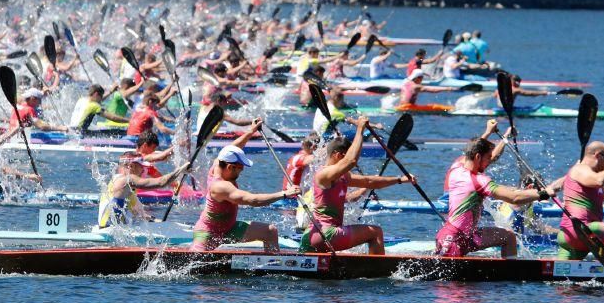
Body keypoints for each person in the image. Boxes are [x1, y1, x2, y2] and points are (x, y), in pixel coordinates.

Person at [300, 119, 410, 254]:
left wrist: (399, 179)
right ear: (338, 155)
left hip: (312, 238)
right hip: (328, 234)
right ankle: (376, 272)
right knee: (375, 232)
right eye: (345, 157)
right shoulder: (324, 174)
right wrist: (360, 129)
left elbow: (370, 182)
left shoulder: (343, 176)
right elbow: (351, 161)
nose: (348, 163)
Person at [190, 120, 302, 252]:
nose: (242, 171)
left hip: (229, 228)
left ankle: (274, 264)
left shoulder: (218, 164)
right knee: (195, 261)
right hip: (208, 232)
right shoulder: (220, 186)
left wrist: (251, 131)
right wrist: (284, 194)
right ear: (230, 167)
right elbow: (252, 200)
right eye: (240, 168)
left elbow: (232, 148)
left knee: (270, 231)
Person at [436, 137, 557, 257]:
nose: (491, 160)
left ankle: (510, 274)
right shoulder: (479, 181)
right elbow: (514, 198)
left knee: (508, 237)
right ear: (478, 157)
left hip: (469, 235)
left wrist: (502, 137)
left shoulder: (456, 167)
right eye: (489, 157)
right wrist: (543, 194)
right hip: (453, 239)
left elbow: (475, 149)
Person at [98, 152, 186, 229]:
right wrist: (180, 171)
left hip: (109, 229)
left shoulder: (120, 183)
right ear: (131, 166)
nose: (144, 170)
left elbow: (142, 215)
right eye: (142, 167)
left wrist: (161, 222)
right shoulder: (127, 180)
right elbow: (160, 183)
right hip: (110, 232)